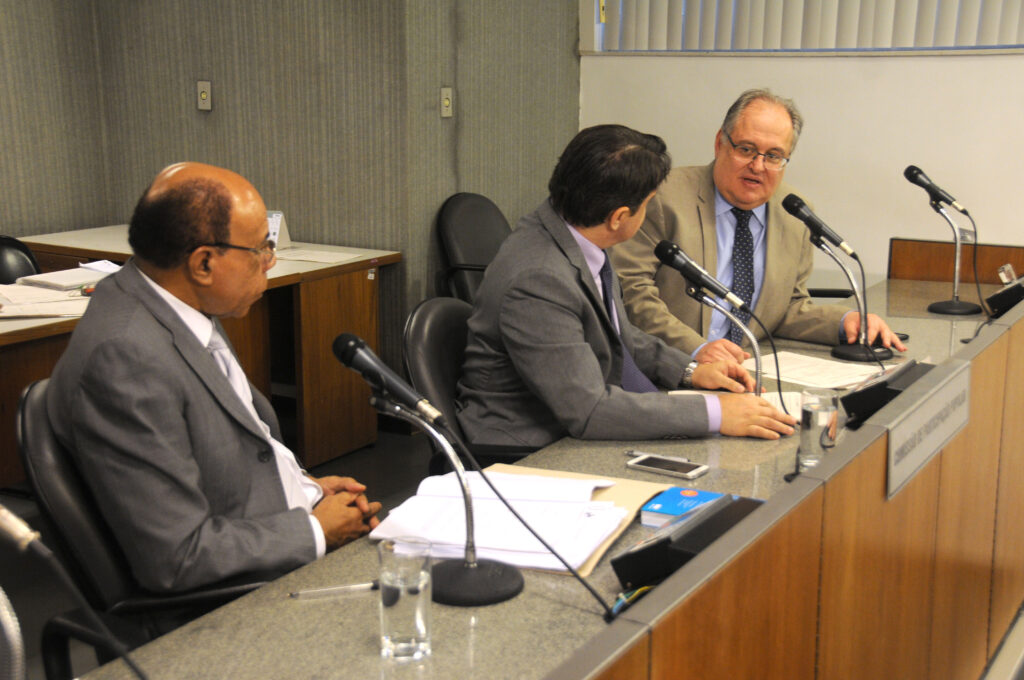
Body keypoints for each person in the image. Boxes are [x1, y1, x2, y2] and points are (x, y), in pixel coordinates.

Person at [47, 162, 381, 593]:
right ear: (203, 263)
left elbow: (229, 442)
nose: (270, 261)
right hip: (234, 599)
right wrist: (315, 530)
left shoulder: (176, 302)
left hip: (269, 526)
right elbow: (176, 557)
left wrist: (303, 487)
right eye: (261, 249)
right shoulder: (126, 360)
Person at [455, 125, 796, 453]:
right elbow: (589, 411)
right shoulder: (539, 280)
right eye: (647, 204)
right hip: (529, 450)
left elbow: (617, 335)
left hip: (576, 426)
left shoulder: (573, 233)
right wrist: (717, 413)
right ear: (618, 217)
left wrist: (691, 371)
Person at [610, 88, 907, 364]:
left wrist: (844, 322)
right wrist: (696, 349)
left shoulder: (794, 214)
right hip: (666, 365)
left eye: (774, 156)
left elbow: (786, 308)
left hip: (748, 366)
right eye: (746, 149)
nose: (758, 166)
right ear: (720, 143)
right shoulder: (662, 197)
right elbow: (630, 291)